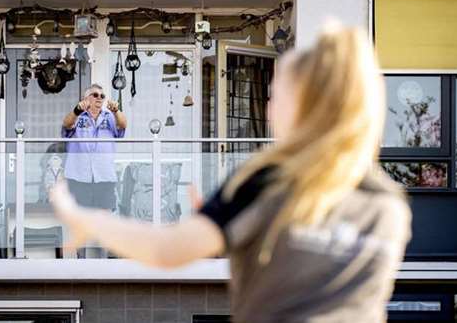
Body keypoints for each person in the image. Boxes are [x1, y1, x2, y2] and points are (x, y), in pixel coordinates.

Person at [51, 25, 411, 322]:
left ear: (303, 105)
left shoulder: (265, 184)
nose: (268, 111)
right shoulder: (390, 207)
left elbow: (165, 250)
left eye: (274, 97)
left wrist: (83, 219)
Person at [61, 84, 127, 258]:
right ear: (86, 99)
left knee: (104, 217)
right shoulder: (78, 116)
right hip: (79, 174)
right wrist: (76, 110)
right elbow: (66, 124)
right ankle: (81, 259)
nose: (99, 98)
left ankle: (103, 259)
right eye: (95, 95)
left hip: (104, 174)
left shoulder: (109, 116)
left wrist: (116, 111)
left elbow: (122, 126)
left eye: (102, 96)